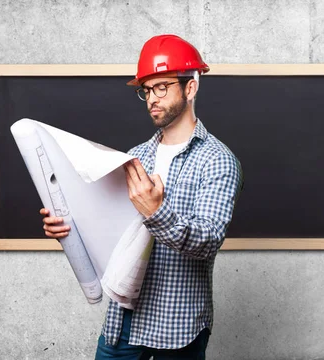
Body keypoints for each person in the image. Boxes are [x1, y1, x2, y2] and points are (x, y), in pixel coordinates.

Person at [39, 34, 243, 359]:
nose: (152, 98)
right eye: (146, 90)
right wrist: (68, 228)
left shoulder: (217, 160)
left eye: (161, 86)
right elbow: (112, 232)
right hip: (123, 322)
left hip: (177, 327)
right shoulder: (135, 157)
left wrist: (157, 212)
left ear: (190, 87)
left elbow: (208, 241)